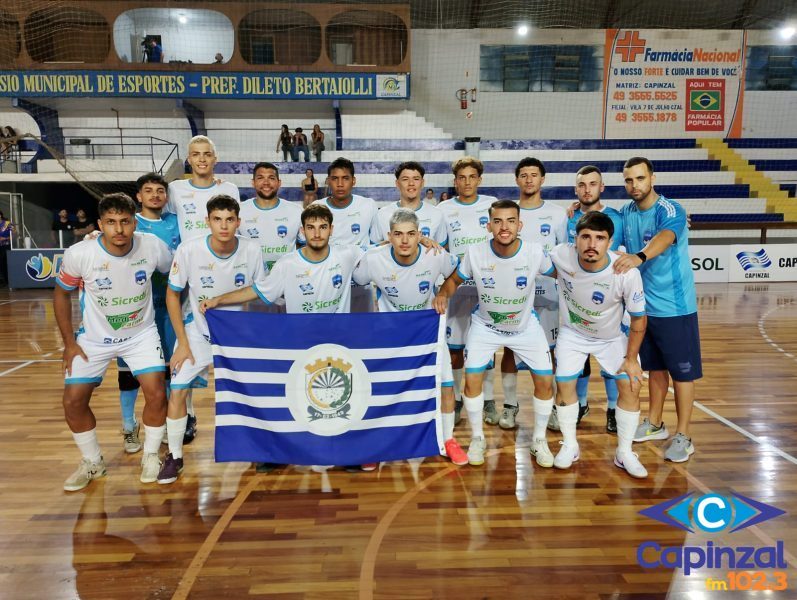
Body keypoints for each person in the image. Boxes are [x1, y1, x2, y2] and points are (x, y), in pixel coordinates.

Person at [54, 192, 173, 491]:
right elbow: (60, 293)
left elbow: (176, 276)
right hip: (93, 340)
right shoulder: (81, 253)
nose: (118, 230)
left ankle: (150, 455)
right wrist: (69, 342)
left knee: (157, 393)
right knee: (73, 401)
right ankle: (93, 461)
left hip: (141, 335)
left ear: (135, 223)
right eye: (110, 223)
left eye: (125, 222)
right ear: (99, 224)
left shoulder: (153, 246)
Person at [434, 200, 556, 467]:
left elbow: (563, 273)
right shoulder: (475, 253)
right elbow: (454, 279)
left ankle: (539, 440)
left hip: (525, 327)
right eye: (498, 221)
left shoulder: (535, 252)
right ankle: (477, 438)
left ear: (519, 225)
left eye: (510, 221)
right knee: (471, 380)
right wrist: (443, 293)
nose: (504, 227)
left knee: (545, 383)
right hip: (486, 326)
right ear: (488, 225)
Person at [160, 195, 265, 484]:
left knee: (251, 392)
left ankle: (257, 447)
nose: (224, 225)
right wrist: (182, 342)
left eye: (229, 219)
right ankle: (175, 455)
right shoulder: (189, 250)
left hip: (239, 335)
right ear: (207, 222)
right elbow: (173, 293)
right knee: (178, 389)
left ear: (238, 222)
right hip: (199, 333)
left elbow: (259, 291)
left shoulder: (252, 250)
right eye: (217, 219)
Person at [353, 208, 468, 465]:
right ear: (389, 237)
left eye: (411, 234)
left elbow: (456, 273)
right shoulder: (374, 258)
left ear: (420, 236)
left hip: (427, 331)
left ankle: (447, 439)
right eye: (398, 234)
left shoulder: (435, 254)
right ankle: (378, 444)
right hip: (389, 334)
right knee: (381, 389)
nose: (404, 240)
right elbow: (356, 279)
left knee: (445, 384)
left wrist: (442, 294)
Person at [615, 157, 701, 463]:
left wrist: (639, 255)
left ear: (652, 178)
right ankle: (654, 423)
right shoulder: (626, 212)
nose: (634, 185)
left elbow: (665, 238)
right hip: (644, 307)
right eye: (628, 180)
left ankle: (684, 435)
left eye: (639, 178)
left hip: (676, 307)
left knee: (682, 374)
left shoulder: (671, 209)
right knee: (655, 369)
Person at [549, 211, 648, 477]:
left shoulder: (625, 271)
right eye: (586, 237)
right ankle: (570, 445)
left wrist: (630, 359)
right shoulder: (561, 254)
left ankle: (624, 452)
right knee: (564, 382)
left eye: (600, 238)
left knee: (630, 383)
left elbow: (639, 318)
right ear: (575, 240)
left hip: (611, 338)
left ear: (610, 241)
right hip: (573, 334)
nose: (592, 244)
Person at [166, 134, 239, 440]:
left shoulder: (229, 189)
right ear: (189, 158)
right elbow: (164, 222)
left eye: (207, 154)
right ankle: (190, 415)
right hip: (185, 272)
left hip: (216, 272)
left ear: (215, 158)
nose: (201, 159)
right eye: (196, 154)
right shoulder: (175, 189)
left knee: (212, 344)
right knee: (185, 349)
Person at [498, 157, 567, 430]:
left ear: (542, 179)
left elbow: (564, 254)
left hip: (549, 294)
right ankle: (510, 405)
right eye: (523, 175)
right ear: (517, 180)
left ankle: (549, 408)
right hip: (513, 294)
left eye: (533, 175)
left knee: (550, 352)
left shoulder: (558, 214)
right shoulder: (508, 212)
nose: (529, 180)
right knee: (509, 349)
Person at [115, 173, 181, 454]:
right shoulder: (129, 224)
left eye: (160, 191)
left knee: (165, 370)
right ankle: (129, 427)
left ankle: (164, 422)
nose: (155, 195)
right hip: (133, 308)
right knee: (128, 373)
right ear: (138, 197)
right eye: (148, 191)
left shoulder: (176, 223)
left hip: (168, 306)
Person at [562, 165, 627, 434]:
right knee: (579, 359)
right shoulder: (570, 217)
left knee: (612, 360)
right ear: (576, 190)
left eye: (592, 184)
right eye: (582, 185)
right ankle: (582, 404)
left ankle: (612, 408)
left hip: (610, 301)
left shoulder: (617, 217)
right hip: (576, 301)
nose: (587, 189)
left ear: (602, 188)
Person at [437, 157, 498, 425]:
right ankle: (459, 399)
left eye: (472, 177)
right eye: (461, 177)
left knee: (487, 347)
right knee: (455, 348)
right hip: (457, 287)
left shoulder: (491, 204)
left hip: (488, 287)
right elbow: (439, 247)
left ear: (479, 180)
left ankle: (488, 401)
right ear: (455, 181)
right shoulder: (443, 209)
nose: (466, 182)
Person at [309, 158, 379, 312]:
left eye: (345, 178)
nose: (340, 184)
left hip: (360, 287)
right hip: (326, 285)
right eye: (335, 179)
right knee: (330, 334)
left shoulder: (368, 205)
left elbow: (376, 244)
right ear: (328, 181)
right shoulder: (316, 207)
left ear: (353, 181)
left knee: (361, 333)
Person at [239, 162, 302, 273]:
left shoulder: (296, 211)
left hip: (286, 280)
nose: (266, 183)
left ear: (279, 183)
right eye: (260, 178)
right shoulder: (239, 211)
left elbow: (305, 247)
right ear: (253, 183)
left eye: (271, 178)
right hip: (251, 281)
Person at [374, 161, 447, 245]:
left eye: (416, 179)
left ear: (422, 183)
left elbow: (441, 249)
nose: (411, 183)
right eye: (405, 179)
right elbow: (373, 250)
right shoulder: (382, 214)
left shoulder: (436, 213)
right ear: (397, 184)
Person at [0, 210, 15, 285]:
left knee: (4, 263)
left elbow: (14, 235)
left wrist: (5, 238)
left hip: (6, 245)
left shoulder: (7, 223)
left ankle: (7, 281)